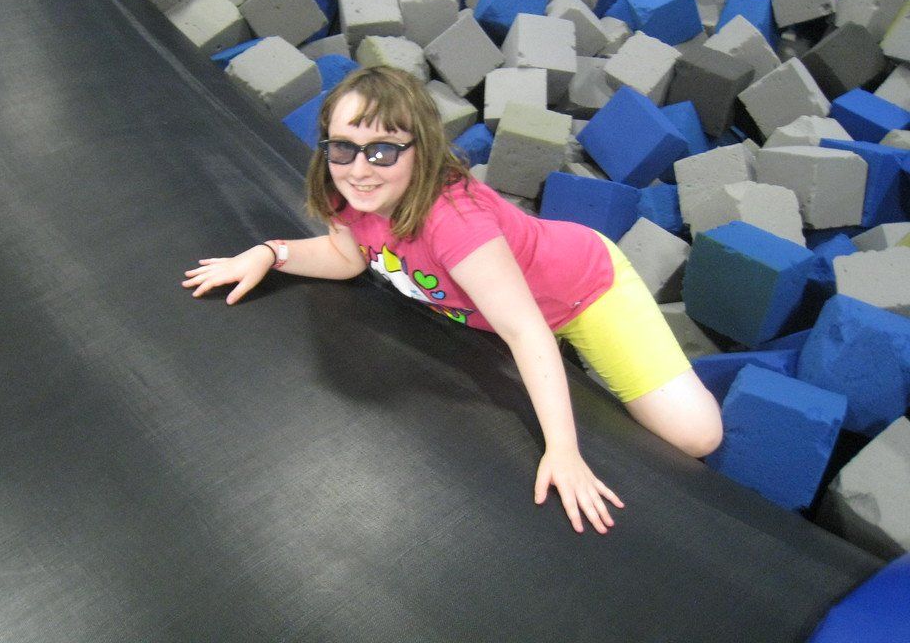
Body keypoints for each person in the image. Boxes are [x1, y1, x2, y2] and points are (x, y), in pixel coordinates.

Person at [183, 66, 723, 535]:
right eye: (343, 147)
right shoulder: (344, 188)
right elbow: (345, 258)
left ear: (421, 151)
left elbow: (526, 331)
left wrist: (562, 450)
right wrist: (268, 254)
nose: (360, 168)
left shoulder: (454, 222)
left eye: (383, 150)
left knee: (696, 435)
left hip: (583, 292)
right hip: (508, 294)